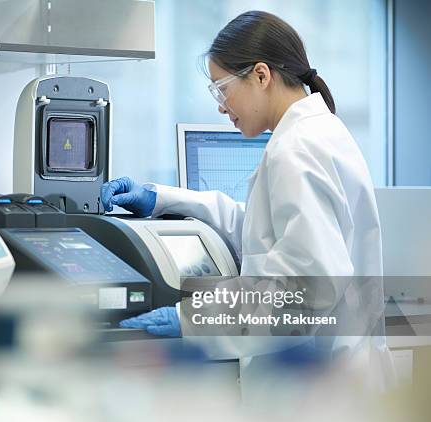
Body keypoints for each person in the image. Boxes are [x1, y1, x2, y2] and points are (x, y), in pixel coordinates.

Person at [101, 11, 394, 391]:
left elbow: (305, 291)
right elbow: (262, 231)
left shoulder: (297, 149)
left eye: (221, 89)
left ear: (261, 75)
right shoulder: (319, 131)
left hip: (317, 391)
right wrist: (162, 199)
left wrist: (194, 318)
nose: (221, 106)